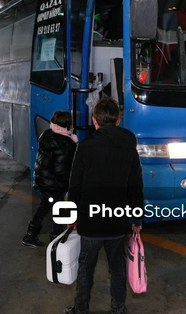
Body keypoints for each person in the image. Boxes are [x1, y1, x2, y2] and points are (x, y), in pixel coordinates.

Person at [64, 97, 144, 314]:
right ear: (118, 121)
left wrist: (71, 216)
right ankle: (118, 309)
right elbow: (135, 185)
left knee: (85, 269)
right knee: (117, 268)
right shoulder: (129, 148)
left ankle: (80, 310)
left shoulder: (85, 147)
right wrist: (136, 219)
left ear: (94, 120)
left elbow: (76, 186)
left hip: (90, 222)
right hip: (117, 221)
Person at [22, 110, 78, 248]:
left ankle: (31, 235)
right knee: (59, 211)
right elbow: (60, 170)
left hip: (43, 180)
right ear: (68, 125)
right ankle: (57, 241)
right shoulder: (65, 144)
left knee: (45, 205)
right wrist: (70, 183)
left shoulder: (47, 135)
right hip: (54, 183)